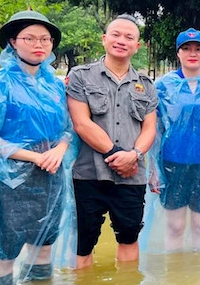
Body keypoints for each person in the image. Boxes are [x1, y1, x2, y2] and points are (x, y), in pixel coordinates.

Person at [0, 10, 76, 285]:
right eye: (30, 38)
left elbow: (69, 129)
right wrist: (35, 156)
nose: (39, 44)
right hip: (11, 179)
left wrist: (59, 150)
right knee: (5, 247)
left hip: (51, 175)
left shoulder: (56, 85)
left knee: (44, 241)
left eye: (45, 39)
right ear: (13, 42)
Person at [66, 14, 158, 268]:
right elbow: (81, 123)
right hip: (88, 175)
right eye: (116, 35)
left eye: (129, 37)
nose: (121, 41)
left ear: (137, 46)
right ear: (105, 39)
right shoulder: (81, 76)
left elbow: (150, 129)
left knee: (129, 237)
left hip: (131, 176)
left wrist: (134, 156)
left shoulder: (146, 85)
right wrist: (119, 154)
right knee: (83, 243)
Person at [140, 29, 200, 253]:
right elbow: (154, 130)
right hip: (172, 163)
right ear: (178, 53)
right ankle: (175, 274)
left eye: (198, 49)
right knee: (175, 225)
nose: (193, 53)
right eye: (187, 49)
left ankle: (198, 277)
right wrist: (153, 169)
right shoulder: (162, 86)